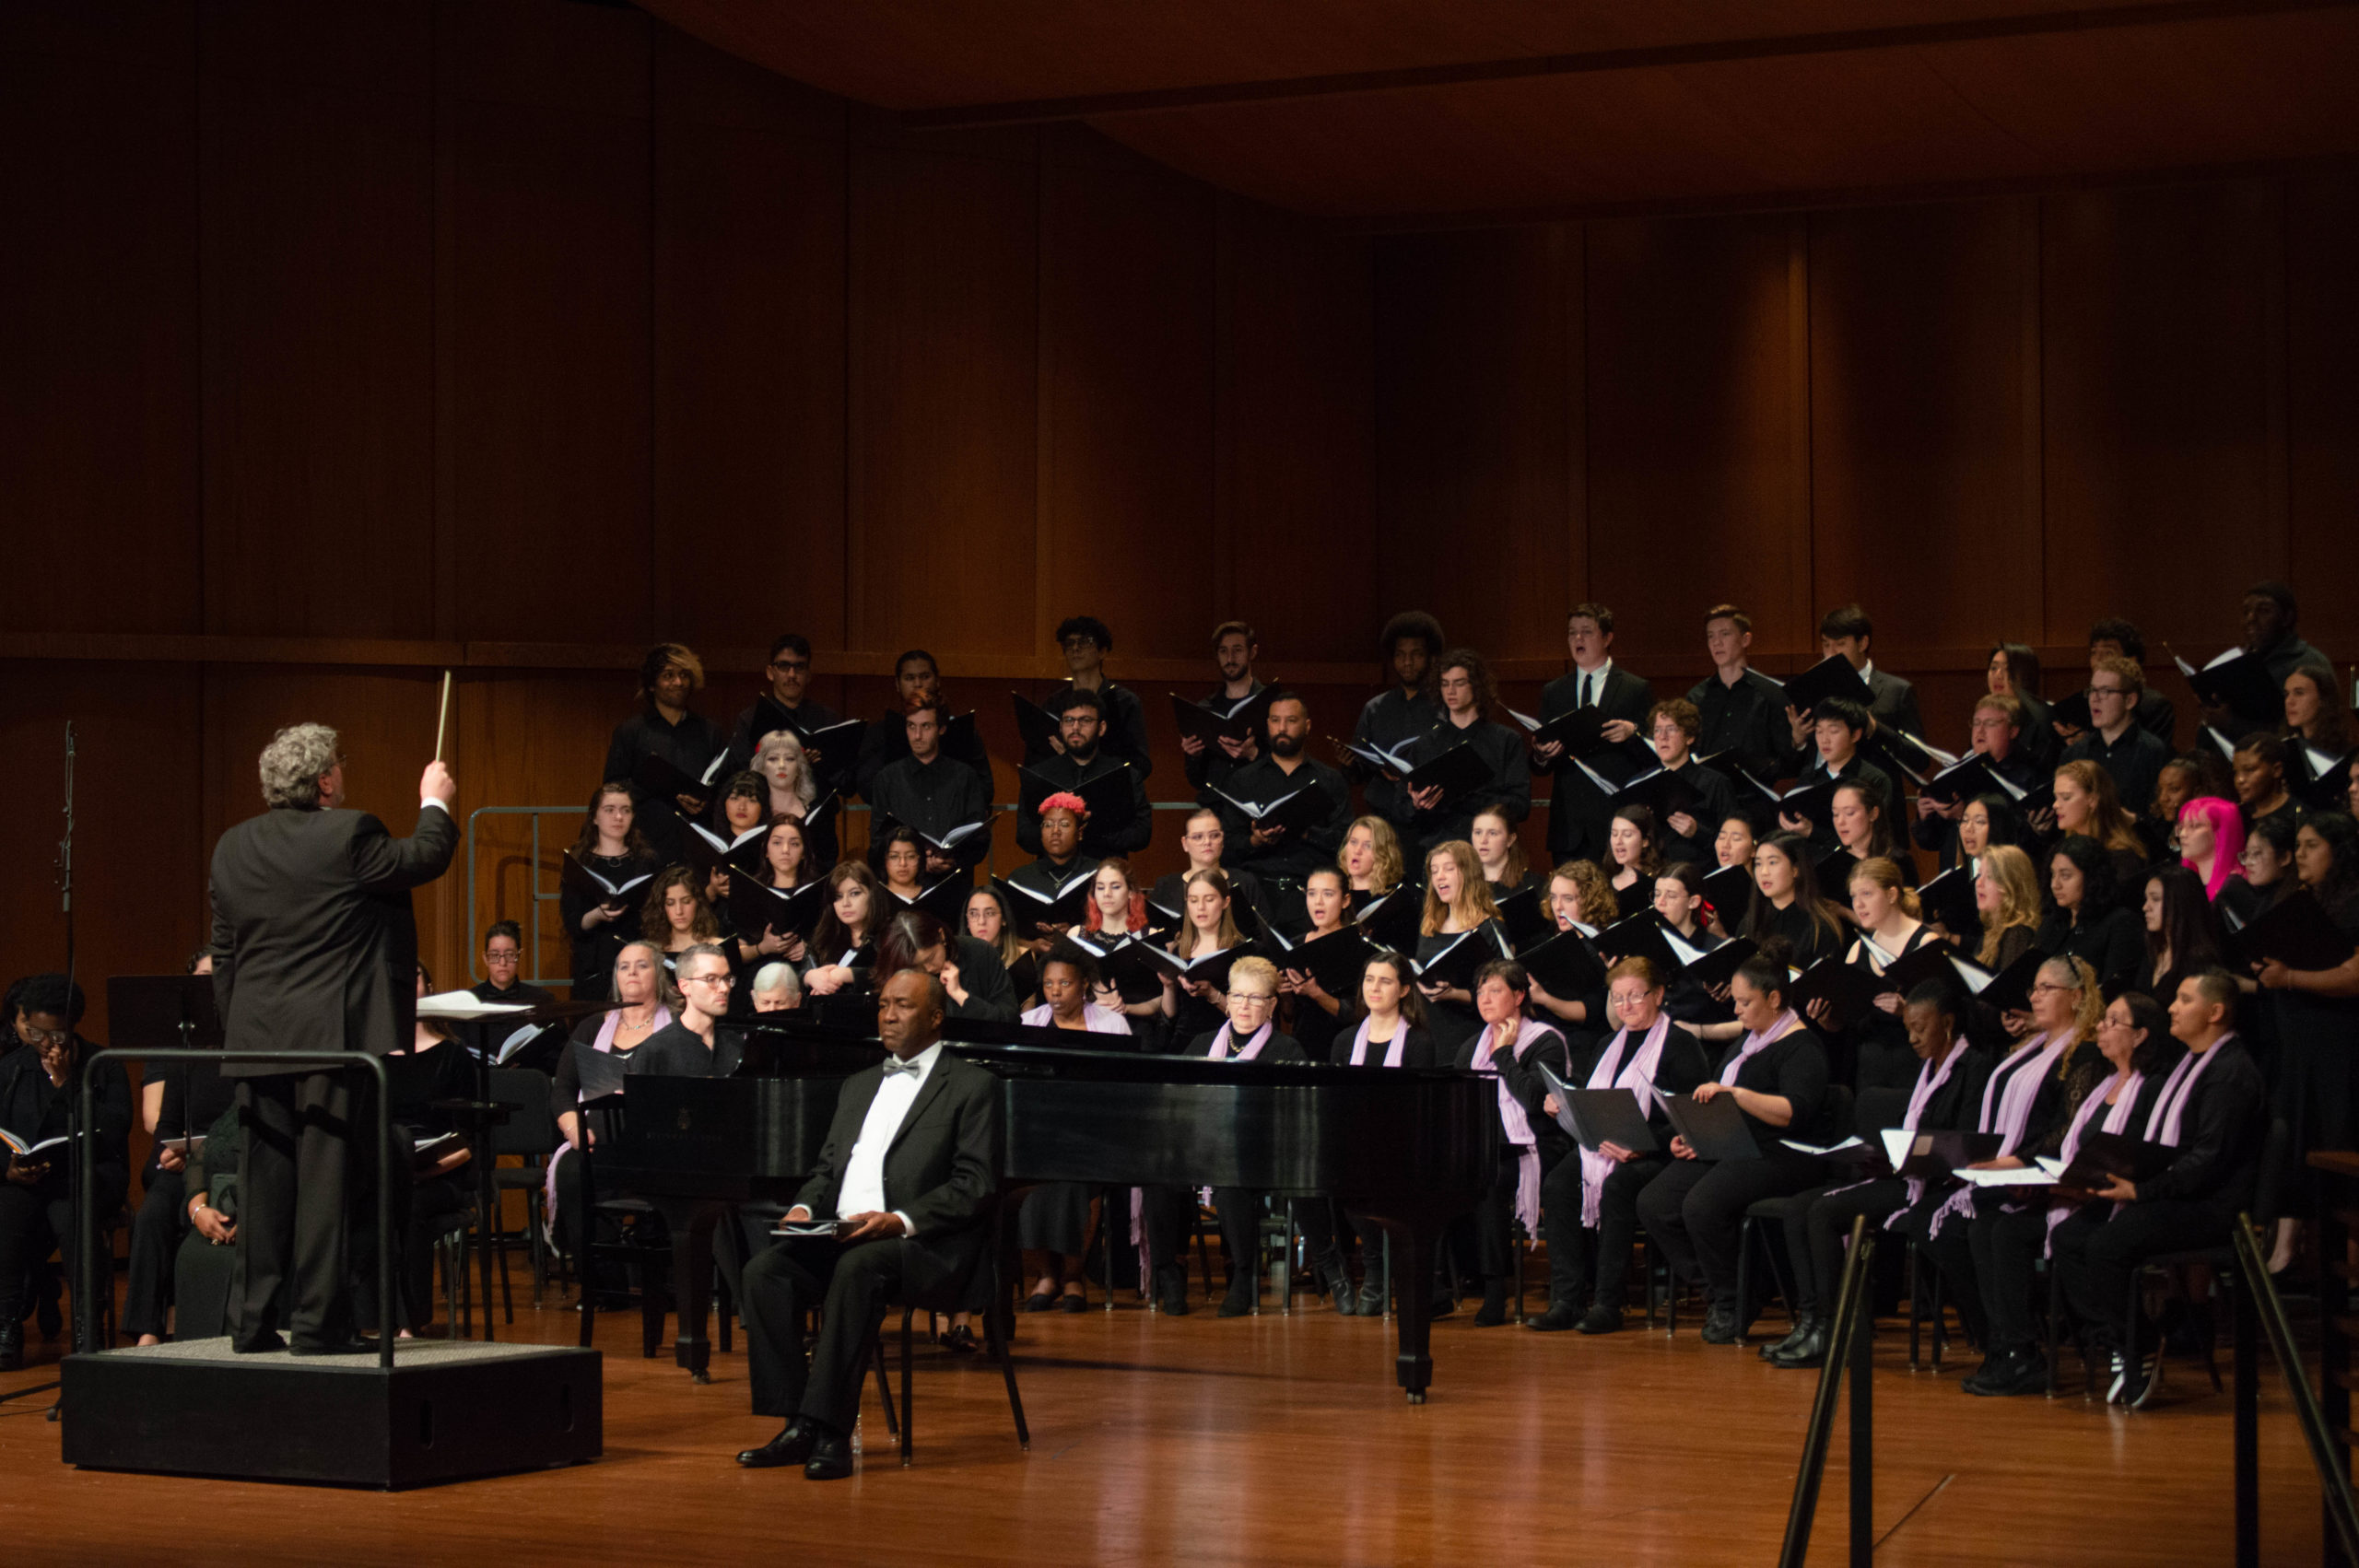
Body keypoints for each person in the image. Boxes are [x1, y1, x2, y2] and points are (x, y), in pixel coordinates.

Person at [206, 723, 457, 1354]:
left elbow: (226, 951)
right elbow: (421, 858)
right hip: (330, 1041)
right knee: (326, 1185)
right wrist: (435, 799)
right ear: (324, 779)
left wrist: (238, 1027)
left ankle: (252, 1321)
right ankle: (318, 1326)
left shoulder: (231, 846)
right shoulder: (349, 833)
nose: (343, 772)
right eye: (339, 764)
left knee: (263, 1187)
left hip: (257, 1040)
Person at [734, 970, 1000, 1480]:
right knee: (765, 1273)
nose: (888, 1016)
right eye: (883, 1005)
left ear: (936, 1017)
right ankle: (798, 1425)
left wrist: (898, 1221)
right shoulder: (858, 1086)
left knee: (858, 1269)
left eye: (902, 1006)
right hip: (842, 1233)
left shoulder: (972, 1085)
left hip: (923, 1246)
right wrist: (805, 1211)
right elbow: (827, 1171)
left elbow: (976, 1185)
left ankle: (832, 1430)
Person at [2052, 971, 2269, 1404]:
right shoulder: (2190, 1064)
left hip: (2211, 1207)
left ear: (2215, 1012)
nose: (2172, 1006)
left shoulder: (2228, 1073)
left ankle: (2139, 1348)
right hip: (2177, 1194)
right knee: (2068, 1236)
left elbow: (2207, 1162)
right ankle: (2125, 1339)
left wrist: (2141, 1191)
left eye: (2184, 999)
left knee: (2105, 1246)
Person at [1762, 981, 1993, 1369]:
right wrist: (1886, 1159)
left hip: (1937, 1185)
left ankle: (1842, 1329)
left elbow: (1963, 1142)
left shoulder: (1974, 1067)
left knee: (1822, 1212)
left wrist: (1903, 1161)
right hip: (1907, 1174)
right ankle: (1813, 1321)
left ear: (1949, 1023)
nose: (1913, 1037)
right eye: (1908, 1028)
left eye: (1921, 1027)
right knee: (1800, 1207)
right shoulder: (1930, 1068)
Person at [1919, 955, 2107, 1397]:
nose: (2034, 997)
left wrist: (2014, 1161)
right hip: (2016, 1176)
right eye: (2034, 989)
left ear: (2077, 998)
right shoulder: (2028, 1051)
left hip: (2057, 1184)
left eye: (2046, 989)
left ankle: (2021, 1351)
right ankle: (2002, 1344)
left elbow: (2068, 1128)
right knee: (1961, 1228)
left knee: (1996, 1231)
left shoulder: (2084, 1053)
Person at [1635, 955, 1831, 1343]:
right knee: (1655, 1201)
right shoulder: (1748, 1043)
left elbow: (1794, 1112)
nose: (1737, 1009)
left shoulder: (1801, 1045)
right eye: (1736, 1002)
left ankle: (1732, 1300)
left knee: (1701, 1204)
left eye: (1746, 1002)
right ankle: (1729, 1290)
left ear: (1774, 999)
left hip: (1783, 1152)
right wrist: (1693, 1134)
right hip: (1732, 1144)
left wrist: (1738, 1095)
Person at [1531, 957, 1711, 1334]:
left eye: (1634, 996)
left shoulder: (1681, 1045)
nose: (1625, 1007)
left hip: (1658, 1151)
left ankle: (1609, 1302)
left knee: (1620, 1186)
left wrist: (1645, 1146)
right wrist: (1561, 1103)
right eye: (1617, 998)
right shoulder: (1606, 1044)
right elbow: (1589, 1098)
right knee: (1557, 1185)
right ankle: (1567, 1298)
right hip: (1599, 1145)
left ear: (1659, 995)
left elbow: (1689, 1117)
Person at [1142, 957, 1307, 1317]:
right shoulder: (1201, 1043)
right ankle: (1169, 1274)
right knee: (1157, 1176)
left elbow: (1293, 1119)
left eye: (1256, 998)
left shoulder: (1286, 1051)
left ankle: (1244, 1277)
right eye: (1238, 996)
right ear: (1228, 999)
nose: (1245, 1005)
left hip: (1260, 1152)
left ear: (1272, 1005)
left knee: (1232, 1178)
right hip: (1200, 1146)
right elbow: (1177, 1100)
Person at [0, 977, 131, 1367]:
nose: (44, 1042)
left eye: (54, 1033)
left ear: (71, 1025)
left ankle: (84, 1326)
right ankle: (6, 1323)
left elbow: (113, 1129)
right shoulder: (12, 1068)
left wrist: (66, 1083)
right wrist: (9, 1168)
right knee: (8, 1206)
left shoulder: (101, 1065)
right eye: (36, 1032)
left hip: (86, 1174)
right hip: (27, 1178)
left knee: (70, 1208)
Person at [1453, 962, 1570, 1325]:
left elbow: (1535, 1099)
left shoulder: (1546, 1040)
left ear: (1519, 996)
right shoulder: (1471, 1046)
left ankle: (1494, 1291)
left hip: (1537, 1146)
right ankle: (1445, 1286)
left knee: (1488, 1180)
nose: (1484, 999)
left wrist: (1504, 1054)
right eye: (1480, 992)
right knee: (1447, 1177)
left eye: (1495, 991)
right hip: (1489, 1146)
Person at [2254, 814, 2359, 1213]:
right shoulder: (2303, 900)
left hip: (2338, 1047)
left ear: (2340, 851)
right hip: (2298, 1048)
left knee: (2335, 1145)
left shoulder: (2354, 903)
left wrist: (2290, 976)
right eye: (2297, 845)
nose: (2299, 854)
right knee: (2295, 1149)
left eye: (2311, 846)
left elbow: (2354, 977)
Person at [1015, 951, 1130, 1312]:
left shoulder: (1112, 1026)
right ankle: (1045, 1275)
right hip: (1040, 1134)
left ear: (1083, 986)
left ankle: (1073, 1276)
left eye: (1064, 983)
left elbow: (1127, 1091)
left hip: (1094, 1135)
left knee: (1079, 1180)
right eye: (1048, 984)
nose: (1055, 992)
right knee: (1026, 1176)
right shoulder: (1027, 1023)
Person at [546, 942, 674, 1264]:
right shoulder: (593, 1027)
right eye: (623, 966)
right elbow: (563, 1088)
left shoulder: (676, 1027)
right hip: (595, 1144)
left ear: (658, 973)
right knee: (572, 1175)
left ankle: (654, 1273)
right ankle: (600, 1277)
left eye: (642, 965)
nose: (631, 972)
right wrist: (574, 1129)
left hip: (654, 1146)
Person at [1332, 952, 1444, 1313]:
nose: (1374, 988)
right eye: (1369, 979)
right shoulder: (1345, 1041)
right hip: (1355, 1141)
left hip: (1403, 1144)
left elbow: (1420, 1107)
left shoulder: (1418, 1042)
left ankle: (1382, 1275)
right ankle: (1375, 1272)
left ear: (1404, 990)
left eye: (1385, 981)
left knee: (1373, 1172)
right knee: (1339, 1176)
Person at [1205, 690, 1351, 910]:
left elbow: (1345, 841)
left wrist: (1306, 833)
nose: (1282, 728)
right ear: (1267, 724)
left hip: (1313, 895)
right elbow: (1226, 844)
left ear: (1308, 725)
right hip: (1257, 891)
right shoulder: (1244, 780)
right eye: (1275, 720)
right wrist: (1255, 841)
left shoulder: (1329, 779)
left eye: (1291, 721)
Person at [1533, 603, 1654, 864]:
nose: (1578, 639)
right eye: (1572, 633)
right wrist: (1542, 755)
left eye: (1586, 632)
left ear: (1607, 638)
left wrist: (1632, 734)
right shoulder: (1554, 691)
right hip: (1569, 826)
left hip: (1615, 821)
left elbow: (1654, 755)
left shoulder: (1634, 688)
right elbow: (1539, 765)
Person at [601, 643, 723, 864]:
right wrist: (658, 784)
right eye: (668, 675)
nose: (678, 682)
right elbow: (611, 790)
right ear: (651, 685)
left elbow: (724, 787)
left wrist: (707, 801)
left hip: (697, 846)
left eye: (684, 675)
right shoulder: (631, 731)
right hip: (645, 847)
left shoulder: (710, 731)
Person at [1402, 647, 1531, 853]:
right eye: (1445, 684)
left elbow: (1521, 806)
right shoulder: (1426, 745)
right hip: (1439, 848)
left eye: (1459, 683)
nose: (1450, 691)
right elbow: (1401, 807)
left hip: (1488, 852)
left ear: (1476, 686)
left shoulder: (1506, 740)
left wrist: (1471, 797)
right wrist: (1417, 804)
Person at [1838, 858, 1942, 1091]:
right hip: (1869, 1070)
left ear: (1892, 894)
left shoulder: (1925, 943)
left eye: (1867, 894)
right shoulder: (1857, 950)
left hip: (1913, 1064)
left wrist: (1906, 1010)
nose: (1858, 904)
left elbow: (1943, 1015)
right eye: (1854, 896)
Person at [1346, 611, 1446, 840]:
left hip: (1433, 820)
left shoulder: (1443, 705)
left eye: (1416, 654)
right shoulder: (1375, 707)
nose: (1407, 662)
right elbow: (1357, 774)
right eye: (1400, 655)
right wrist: (1351, 763)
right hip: (1383, 818)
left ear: (1431, 657)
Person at [868, 696, 993, 878]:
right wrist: (915, 861)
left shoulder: (965, 777)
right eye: (911, 726)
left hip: (954, 884)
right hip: (904, 886)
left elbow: (980, 839)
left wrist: (953, 861)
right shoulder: (887, 778)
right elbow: (877, 844)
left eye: (926, 726)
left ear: (941, 729)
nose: (917, 735)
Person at [1019, 688, 1151, 860]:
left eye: (1085, 720)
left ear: (1101, 728)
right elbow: (1024, 835)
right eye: (1069, 720)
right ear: (1060, 726)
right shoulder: (1039, 774)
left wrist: (1091, 831)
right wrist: (1062, 832)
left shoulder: (1125, 774)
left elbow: (1142, 833)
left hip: (1106, 873)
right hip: (1053, 875)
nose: (1075, 727)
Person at [1914, 694, 2043, 870]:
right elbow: (1930, 842)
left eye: (1990, 724)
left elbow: (2023, 838)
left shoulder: (2027, 775)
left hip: (2004, 873)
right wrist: (1925, 817)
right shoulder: (1956, 772)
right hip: (1958, 876)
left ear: (2013, 731)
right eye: (1976, 723)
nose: (1980, 731)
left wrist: (1964, 817)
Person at [560, 782, 662, 1002]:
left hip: (637, 960)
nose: (618, 817)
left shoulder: (646, 860)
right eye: (610, 810)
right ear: (594, 817)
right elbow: (572, 922)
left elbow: (656, 913)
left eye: (625, 810)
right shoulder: (579, 861)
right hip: (593, 964)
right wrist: (597, 914)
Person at [852, 649, 992, 799]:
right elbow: (867, 788)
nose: (918, 684)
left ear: (937, 681)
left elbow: (985, 789)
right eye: (909, 678)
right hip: (898, 817)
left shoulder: (962, 730)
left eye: (925, 677)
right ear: (898, 684)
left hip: (952, 816)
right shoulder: (879, 733)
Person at [1028, 615, 1152, 782]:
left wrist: (1083, 759)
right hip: (1063, 797)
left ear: (1102, 652)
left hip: (1111, 795)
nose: (1076, 648)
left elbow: (1141, 765)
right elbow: (1035, 765)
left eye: (1085, 642)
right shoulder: (1053, 704)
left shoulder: (1125, 702)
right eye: (1069, 643)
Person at [1689, 603, 1802, 783]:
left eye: (1725, 634)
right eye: (1711, 636)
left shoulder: (1769, 694)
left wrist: (1797, 742)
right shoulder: (1696, 696)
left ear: (1745, 640)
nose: (1716, 642)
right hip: (1709, 795)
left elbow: (1785, 759)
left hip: (1754, 796)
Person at [2205, 580, 2328, 738]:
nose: (2251, 618)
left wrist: (2231, 724)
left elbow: (2310, 732)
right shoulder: (2237, 662)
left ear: (2287, 618)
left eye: (2263, 611)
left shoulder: (2310, 662)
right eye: (2246, 611)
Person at [1414, 840, 1507, 1050]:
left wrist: (1454, 994)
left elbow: (1502, 991)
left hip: (1470, 1034)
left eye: (1448, 869)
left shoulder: (1489, 927)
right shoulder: (1430, 925)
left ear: (1468, 874)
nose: (1439, 877)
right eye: (1434, 871)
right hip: (1429, 1033)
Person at [1791, 604, 1923, 742]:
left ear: (1862, 644)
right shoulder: (1814, 687)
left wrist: (1876, 729)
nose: (1830, 654)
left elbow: (1919, 759)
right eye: (1826, 645)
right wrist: (1799, 742)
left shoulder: (1897, 691)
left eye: (1840, 644)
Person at [1781, 698, 1895, 856]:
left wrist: (1813, 832)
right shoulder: (1809, 777)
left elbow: (1878, 834)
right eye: (1819, 731)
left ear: (1855, 735)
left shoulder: (1874, 779)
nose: (1824, 739)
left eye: (1833, 731)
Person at [2061, 654, 2170, 816]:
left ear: (2130, 700)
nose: (2094, 699)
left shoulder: (2153, 752)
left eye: (2105, 691)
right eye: (2092, 690)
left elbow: (2158, 817)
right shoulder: (2074, 754)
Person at [722, 634, 844, 777]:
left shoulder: (827, 719)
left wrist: (818, 765)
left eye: (799, 667)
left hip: (818, 798)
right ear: (770, 672)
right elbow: (740, 775)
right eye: (784, 666)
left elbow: (845, 782)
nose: (792, 674)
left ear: (808, 675)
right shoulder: (749, 720)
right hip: (765, 798)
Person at [874, 909, 1019, 1024]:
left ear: (941, 936)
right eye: (917, 965)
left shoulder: (980, 952)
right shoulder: (900, 970)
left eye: (931, 957)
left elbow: (1010, 1020)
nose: (929, 968)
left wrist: (959, 994)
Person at [1643, 697, 1739, 865]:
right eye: (1657, 730)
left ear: (1689, 737)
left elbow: (1734, 841)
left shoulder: (1715, 783)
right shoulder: (1641, 782)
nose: (1662, 737)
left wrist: (1697, 832)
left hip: (1698, 874)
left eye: (1671, 729)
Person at [2037, 836, 2143, 987]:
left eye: (2065, 876)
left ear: (2092, 878)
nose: (2055, 884)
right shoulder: (2053, 921)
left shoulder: (2121, 923)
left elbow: (2113, 988)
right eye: (2053, 874)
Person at [1275, 867, 1357, 1061]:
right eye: (1312, 894)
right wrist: (1285, 995)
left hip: (1342, 1048)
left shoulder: (1355, 946)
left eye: (1328, 894)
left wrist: (1316, 994)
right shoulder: (1295, 945)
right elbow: (1290, 1017)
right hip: (1301, 1048)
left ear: (1345, 900)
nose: (1318, 902)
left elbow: (1357, 1013)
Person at [1150, 810, 1270, 938]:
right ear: (1185, 844)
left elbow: (1267, 934)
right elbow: (1154, 939)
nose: (1207, 842)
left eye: (1214, 835)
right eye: (1198, 837)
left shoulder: (1245, 882)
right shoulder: (1166, 886)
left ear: (1223, 840)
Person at [1740, 832, 1848, 971]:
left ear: (1796, 869)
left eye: (1772, 862)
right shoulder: (1751, 920)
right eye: (1758, 864)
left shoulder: (1819, 927)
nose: (1763, 872)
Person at [1527, 860, 1614, 1032]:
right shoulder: (1547, 940)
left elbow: (1592, 1010)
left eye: (1568, 899)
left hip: (1584, 1039)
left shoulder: (1600, 945)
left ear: (1591, 901)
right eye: (1553, 898)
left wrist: (1545, 1000)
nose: (1558, 907)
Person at [1160, 868, 1243, 1047]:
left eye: (1209, 899)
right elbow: (1171, 1015)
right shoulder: (1179, 951)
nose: (1200, 908)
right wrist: (1168, 987)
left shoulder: (1241, 951)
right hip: (1184, 1044)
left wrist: (1213, 994)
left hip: (1225, 1042)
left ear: (1225, 902)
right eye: (1193, 900)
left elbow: (1248, 1013)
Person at [1180, 619, 1266, 793]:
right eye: (1223, 651)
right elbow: (1196, 781)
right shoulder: (1205, 708)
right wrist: (1193, 756)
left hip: (1258, 804)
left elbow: (1288, 766)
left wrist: (1254, 754)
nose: (1230, 659)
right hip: (1217, 808)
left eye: (1237, 650)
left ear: (1253, 652)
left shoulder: (1271, 703)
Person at [629, 944, 741, 1077]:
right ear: (685, 986)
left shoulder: (737, 1045)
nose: (724, 988)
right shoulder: (656, 1050)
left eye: (727, 979)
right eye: (711, 979)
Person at [2049, 759, 2150, 904]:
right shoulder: (2059, 851)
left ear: (2093, 799)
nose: (2056, 805)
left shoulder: (2122, 860)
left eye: (2066, 797)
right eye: (2056, 797)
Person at [2064, 619, 2177, 745]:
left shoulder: (2155, 706)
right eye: (2094, 653)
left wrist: (2089, 744)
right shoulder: (2077, 703)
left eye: (2108, 653)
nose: (2098, 660)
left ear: (2131, 661)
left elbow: (2154, 756)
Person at [2131, 865, 2227, 1004]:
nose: (2145, 907)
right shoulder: (2152, 953)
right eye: (2146, 899)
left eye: (2156, 899)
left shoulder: (2202, 965)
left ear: (2180, 902)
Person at [750, 729, 839, 872]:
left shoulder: (818, 813)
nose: (782, 765)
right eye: (773, 758)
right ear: (762, 767)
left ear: (799, 767)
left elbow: (829, 860)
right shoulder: (753, 812)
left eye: (789, 758)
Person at [801, 862, 882, 1013]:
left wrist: (849, 975)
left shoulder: (887, 935)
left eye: (854, 893)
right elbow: (800, 976)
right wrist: (809, 977)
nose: (845, 903)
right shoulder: (824, 936)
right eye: (838, 897)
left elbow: (894, 976)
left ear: (872, 895)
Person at [1985, 642, 2058, 769]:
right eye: (1993, 668)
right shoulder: (1984, 715)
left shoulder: (2042, 718)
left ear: (2025, 676)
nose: (1998, 675)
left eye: (2007, 669)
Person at [963, 884, 1037, 1009]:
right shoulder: (956, 957)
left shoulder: (1021, 956)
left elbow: (1028, 1013)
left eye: (990, 913)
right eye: (974, 914)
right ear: (967, 922)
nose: (981, 922)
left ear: (1004, 919)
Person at [1828, 778, 1911, 887]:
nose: (1840, 822)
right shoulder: (1832, 864)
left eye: (1849, 813)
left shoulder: (1898, 860)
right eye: (1835, 814)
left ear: (1873, 814)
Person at [2177, 795, 2246, 905]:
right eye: (2182, 827)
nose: (2182, 834)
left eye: (2194, 826)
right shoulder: (2188, 886)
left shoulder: (2234, 886)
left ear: (2220, 832)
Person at [2283, 658, 2354, 758]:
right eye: (2286, 694)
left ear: (2323, 699)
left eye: (2299, 693)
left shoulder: (2345, 755)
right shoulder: (2284, 749)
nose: (2289, 701)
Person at [2232, 733, 2298, 836]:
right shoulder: (2235, 816)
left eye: (2249, 770)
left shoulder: (2298, 818)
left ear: (2276, 770)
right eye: (2236, 772)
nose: (2240, 780)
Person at [1470, 806, 1537, 902]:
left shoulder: (1534, 885)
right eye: (1478, 832)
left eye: (1493, 833)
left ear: (1510, 839)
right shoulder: (1462, 884)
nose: (1483, 840)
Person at [1338, 815, 1405, 906]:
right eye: (1353, 842)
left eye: (1368, 846)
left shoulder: (1395, 899)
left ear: (1383, 853)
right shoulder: (1335, 892)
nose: (1357, 851)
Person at [1605, 805, 1664, 903]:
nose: (1618, 841)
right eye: (1614, 834)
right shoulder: (1604, 885)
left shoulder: (1663, 879)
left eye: (1627, 834)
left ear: (1645, 841)